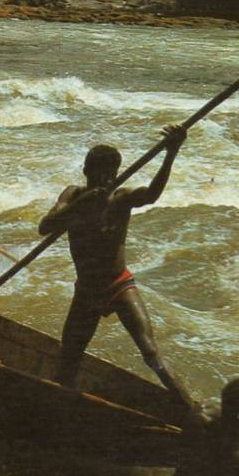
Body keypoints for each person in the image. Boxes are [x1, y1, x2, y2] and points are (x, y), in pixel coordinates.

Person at [38, 125, 192, 407]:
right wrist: (80, 205)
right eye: (98, 173)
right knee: (68, 358)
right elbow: (45, 227)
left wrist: (172, 152)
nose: (104, 180)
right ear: (85, 170)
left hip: (118, 284)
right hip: (86, 291)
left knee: (150, 352)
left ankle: (191, 410)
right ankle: (60, 408)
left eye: (110, 174)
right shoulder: (72, 195)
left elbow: (152, 194)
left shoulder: (120, 199)